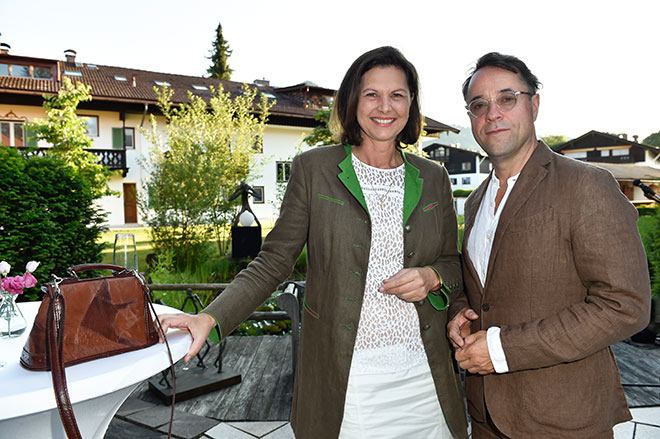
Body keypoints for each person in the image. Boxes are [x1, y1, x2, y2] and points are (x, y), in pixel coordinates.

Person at [159, 46, 468, 439]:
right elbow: (273, 261)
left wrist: (430, 277)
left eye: (397, 95)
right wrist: (212, 317)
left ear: (411, 103)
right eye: (371, 93)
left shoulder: (434, 176)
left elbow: (452, 263)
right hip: (349, 378)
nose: (384, 106)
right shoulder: (314, 169)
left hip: (424, 375)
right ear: (352, 101)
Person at [447, 52, 651, 438]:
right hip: (484, 414)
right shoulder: (474, 202)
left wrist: (503, 350)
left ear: (534, 103)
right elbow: (482, 289)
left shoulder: (586, 185)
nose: (492, 113)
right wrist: (460, 312)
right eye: (479, 105)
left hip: (563, 419)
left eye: (507, 98)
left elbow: (625, 305)